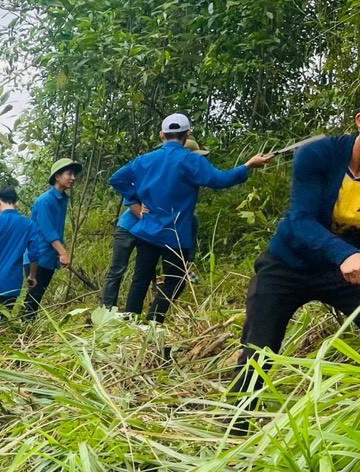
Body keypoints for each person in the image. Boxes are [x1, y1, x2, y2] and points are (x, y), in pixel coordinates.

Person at [236, 117, 360, 396]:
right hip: (287, 265)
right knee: (258, 350)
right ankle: (238, 417)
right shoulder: (318, 154)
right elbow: (301, 219)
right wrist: (346, 254)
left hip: (341, 272)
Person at [112, 114, 271, 322]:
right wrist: (248, 165)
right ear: (188, 134)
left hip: (147, 230)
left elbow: (116, 179)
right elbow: (222, 180)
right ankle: (154, 320)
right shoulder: (192, 160)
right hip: (175, 235)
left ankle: (130, 323)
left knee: (140, 279)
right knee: (175, 281)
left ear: (162, 135)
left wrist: (137, 201)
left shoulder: (144, 160)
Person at [101, 139, 209, 309]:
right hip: (130, 227)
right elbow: (129, 197)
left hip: (152, 231)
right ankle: (108, 310)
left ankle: (142, 310)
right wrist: (144, 209)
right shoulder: (156, 172)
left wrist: (188, 261)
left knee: (146, 271)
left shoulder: (179, 180)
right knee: (118, 269)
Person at [22, 159, 82, 319]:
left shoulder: (62, 199)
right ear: (57, 176)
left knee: (36, 296)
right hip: (38, 255)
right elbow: (47, 230)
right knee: (34, 297)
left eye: (74, 174)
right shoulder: (45, 201)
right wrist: (63, 252)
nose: (73, 178)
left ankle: (26, 325)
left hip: (49, 256)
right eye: (69, 174)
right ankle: (23, 326)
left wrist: (59, 252)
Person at [0, 187, 44, 308]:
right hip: (13, 281)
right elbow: (34, 254)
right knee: (6, 311)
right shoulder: (29, 224)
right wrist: (32, 275)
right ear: (17, 202)